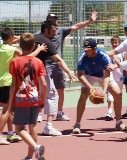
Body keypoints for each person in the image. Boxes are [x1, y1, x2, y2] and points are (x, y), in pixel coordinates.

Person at [37, 11, 97, 122]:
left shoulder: (60, 31)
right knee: (44, 89)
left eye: (55, 19)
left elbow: (76, 26)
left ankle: (59, 113)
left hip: (59, 65)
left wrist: (89, 21)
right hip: (46, 65)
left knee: (60, 89)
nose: (54, 20)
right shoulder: (40, 34)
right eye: (52, 19)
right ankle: (39, 114)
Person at [72, 38, 127, 134]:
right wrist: (90, 87)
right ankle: (77, 124)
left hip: (102, 75)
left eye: (88, 50)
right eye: (84, 49)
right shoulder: (83, 57)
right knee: (84, 94)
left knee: (118, 93)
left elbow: (107, 75)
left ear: (94, 49)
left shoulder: (103, 56)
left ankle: (118, 122)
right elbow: (80, 74)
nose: (86, 52)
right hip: (89, 75)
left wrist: (104, 91)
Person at [7, 32, 47, 160]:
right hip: (34, 97)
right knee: (32, 126)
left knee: (19, 129)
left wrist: (10, 102)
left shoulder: (15, 62)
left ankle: (35, 147)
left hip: (21, 97)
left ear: (20, 45)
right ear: (34, 46)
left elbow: (13, 85)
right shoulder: (38, 62)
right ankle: (30, 157)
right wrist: (43, 99)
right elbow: (44, 84)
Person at [35, 20, 77, 136]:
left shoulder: (33, 38)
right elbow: (58, 60)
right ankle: (48, 126)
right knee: (52, 95)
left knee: (29, 97)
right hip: (39, 73)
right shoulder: (47, 42)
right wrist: (68, 71)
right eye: (53, 31)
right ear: (46, 30)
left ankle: (20, 127)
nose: (55, 34)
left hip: (25, 73)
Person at [0, 27, 22, 145]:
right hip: (8, 82)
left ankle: (10, 133)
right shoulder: (13, 50)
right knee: (6, 110)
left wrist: (12, 40)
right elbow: (25, 54)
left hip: (1, 82)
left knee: (9, 109)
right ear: (10, 38)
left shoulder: (2, 47)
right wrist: (38, 49)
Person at [105, 36, 124, 121]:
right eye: (113, 43)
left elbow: (123, 64)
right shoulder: (108, 53)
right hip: (111, 75)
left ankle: (118, 113)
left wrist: (115, 64)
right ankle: (109, 112)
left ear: (119, 44)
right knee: (110, 95)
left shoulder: (122, 53)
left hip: (119, 76)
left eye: (116, 43)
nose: (114, 44)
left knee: (118, 95)